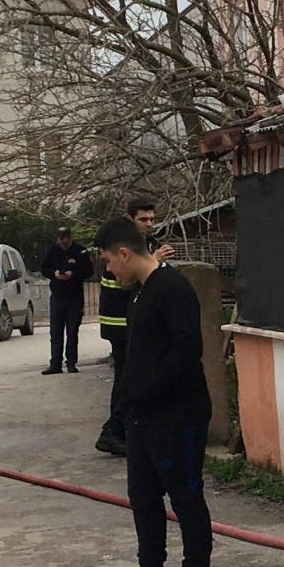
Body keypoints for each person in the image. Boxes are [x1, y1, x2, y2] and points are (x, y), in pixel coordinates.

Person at [95, 216, 212, 567]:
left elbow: (187, 349)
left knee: (185, 495)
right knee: (143, 497)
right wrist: (129, 401)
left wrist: (148, 389)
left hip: (178, 414)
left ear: (124, 253)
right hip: (142, 415)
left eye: (109, 261)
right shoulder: (140, 291)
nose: (109, 270)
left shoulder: (172, 288)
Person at [95, 196, 163, 458]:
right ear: (130, 219)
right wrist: (153, 261)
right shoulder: (123, 246)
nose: (149, 224)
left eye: (151, 219)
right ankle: (113, 430)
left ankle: (119, 429)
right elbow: (126, 283)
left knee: (126, 377)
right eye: (143, 219)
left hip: (125, 322)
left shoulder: (136, 242)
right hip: (121, 324)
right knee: (126, 378)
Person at [38, 224, 92, 375]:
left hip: (74, 296)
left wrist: (73, 275)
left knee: (72, 331)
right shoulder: (53, 251)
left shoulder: (80, 251)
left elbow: (89, 271)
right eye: (61, 242)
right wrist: (54, 274)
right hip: (57, 296)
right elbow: (44, 268)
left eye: (66, 242)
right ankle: (55, 363)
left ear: (70, 238)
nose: (63, 245)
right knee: (55, 332)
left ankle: (71, 363)